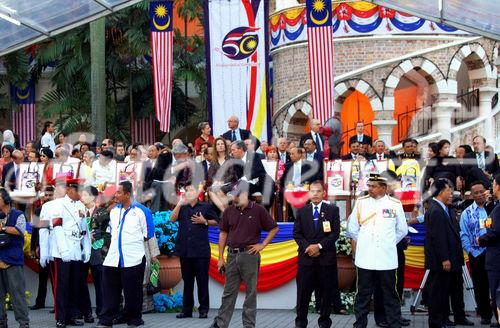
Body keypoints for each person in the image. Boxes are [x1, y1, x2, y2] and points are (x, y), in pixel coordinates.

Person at [209, 181, 279, 328]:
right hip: (232, 255)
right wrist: (221, 257)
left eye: (236, 195)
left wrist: (263, 245)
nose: (234, 198)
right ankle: (221, 324)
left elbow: (274, 228)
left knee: (250, 293)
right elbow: (223, 234)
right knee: (229, 292)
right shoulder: (228, 211)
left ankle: (249, 325)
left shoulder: (258, 210)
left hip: (249, 254)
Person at [347, 173, 408, 328]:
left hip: (386, 258)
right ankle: (360, 324)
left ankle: (394, 323)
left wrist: (388, 243)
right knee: (363, 294)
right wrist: (365, 243)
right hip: (365, 257)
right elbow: (352, 229)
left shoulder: (394, 204)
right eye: (369, 186)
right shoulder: (361, 203)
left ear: (383, 188)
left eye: (373, 186)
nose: (370, 189)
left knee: (390, 293)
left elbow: (402, 230)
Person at [96, 181, 154, 328]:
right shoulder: (114, 211)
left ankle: (134, 319)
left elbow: (148, 235)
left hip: (133, 258)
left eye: (119, 192)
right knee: (109, 291)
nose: (115, 195)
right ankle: (106, 320)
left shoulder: (142, 211)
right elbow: (108, 230)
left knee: (133, 292)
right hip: (113, 258)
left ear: (128, 194)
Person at [424, 179, 473, 328]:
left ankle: (456, 318)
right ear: (439, 192)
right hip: (443, 260)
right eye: (448, 191)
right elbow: (439, 238)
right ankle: (437, 321)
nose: (451, 194)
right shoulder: (436, 210)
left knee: (455, 289)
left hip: (454, 258)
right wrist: (445, 258)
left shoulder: (445, 208)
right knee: (439, 292)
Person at [293, 181, 340, 328]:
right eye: (312, 191)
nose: (315, 194)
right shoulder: (302, 211)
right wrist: (309, 247)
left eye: (318, 191)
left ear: (323, 193)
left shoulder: (332, 210)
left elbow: (335, 233)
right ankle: (301, 322)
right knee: (303, 294)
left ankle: (324, 322)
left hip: (325, 260)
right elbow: (297, 234)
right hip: (306, 259)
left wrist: (319, 246)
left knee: (326, 293)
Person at [170, 182, 219, 319]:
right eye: (186, 191)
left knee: (202, 281)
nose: (188, 192)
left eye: (191, 190)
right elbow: (172, 219)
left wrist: (205, 221)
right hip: (185, 250)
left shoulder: (206, 206)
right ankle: (187, 310)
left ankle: (203, 310)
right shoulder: (182, 207)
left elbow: (217, 221)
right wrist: (179, 203)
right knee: (188, 282)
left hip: (201, 251)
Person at [47, 178, 91, 328]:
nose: (81, 193)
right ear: (69, 190)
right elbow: (57, 228)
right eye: (78, 190)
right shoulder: (58, 205)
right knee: (62, 285)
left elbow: (85, 230)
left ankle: (72, 315)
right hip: (62, 250)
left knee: (75, 284)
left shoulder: (82, 206)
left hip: (76, 250)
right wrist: (64, 250)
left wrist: (87, 248)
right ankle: (61, 317)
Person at [460, 181, 493, 325]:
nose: (479, 194)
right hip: (477, 254)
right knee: (481, 286)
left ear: (486, 191)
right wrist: (472, 252)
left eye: (482, 191)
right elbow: (464, 235)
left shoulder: (494, 208)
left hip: (494, 253)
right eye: (476, 193)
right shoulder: (467, 213)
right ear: (471, 195)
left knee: (496, 286)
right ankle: (485, 315)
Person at [0, 188, 30, 328]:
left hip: (13, 262)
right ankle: (2, 322)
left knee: (17, 296)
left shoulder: (18, 215)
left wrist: (3, 228)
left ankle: (23, 323)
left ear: (5, 199)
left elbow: (20, 230)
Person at [478, 174, 500, 327]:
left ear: (498, 186)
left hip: (497, 257)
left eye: (493, 183)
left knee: (497, 292)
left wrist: (481, 240)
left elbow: (495, 232)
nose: (491, 187)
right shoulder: (496, 205)